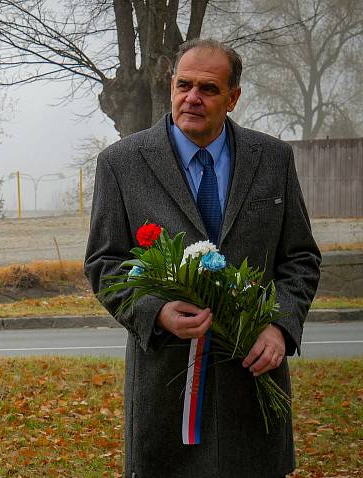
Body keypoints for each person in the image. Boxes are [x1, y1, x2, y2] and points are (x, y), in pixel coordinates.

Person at [84, 38, 321, 477]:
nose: (192, 98)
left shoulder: (272, 159)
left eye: (208, 89)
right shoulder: (122, 163)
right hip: (165, 392)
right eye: (183, 85)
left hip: (253, 385)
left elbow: (300, 257)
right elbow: (104, 262)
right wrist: (154, 312)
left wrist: (280, 326)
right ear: (171, 86)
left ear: (233, 97)